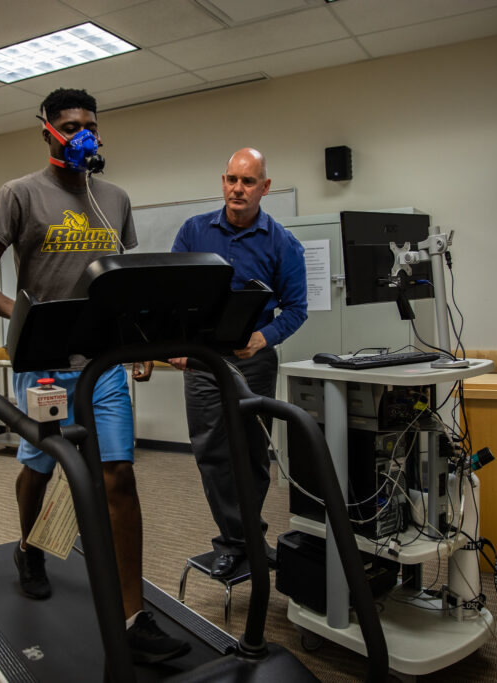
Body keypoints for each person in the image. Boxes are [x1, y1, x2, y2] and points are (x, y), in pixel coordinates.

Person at [0, 88, 189, 664]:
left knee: (118, 477)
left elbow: (121, 279)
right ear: (47, 131)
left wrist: (135, 339)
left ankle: (134, 617)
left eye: (89, 123)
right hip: (45, 364)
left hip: (103, 363)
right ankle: (28, 547)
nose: (82, 132)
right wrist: (28, 317)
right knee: (42, 467)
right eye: (69, 124)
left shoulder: (114, 198)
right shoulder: (19, 195)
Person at [169, 148, 307, 579]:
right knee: (212, 453)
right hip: (203, 363)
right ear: (223, 181)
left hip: (254, 363)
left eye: (248, 182)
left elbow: (297, 309)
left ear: (264, 188)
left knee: (250, 455)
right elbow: (171, 294)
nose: (237, 189)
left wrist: (264, 337)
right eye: (231, 179)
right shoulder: (193, 231)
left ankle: (245, 534)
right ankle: (238, 540)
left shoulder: (282, 242)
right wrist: (175, 341)